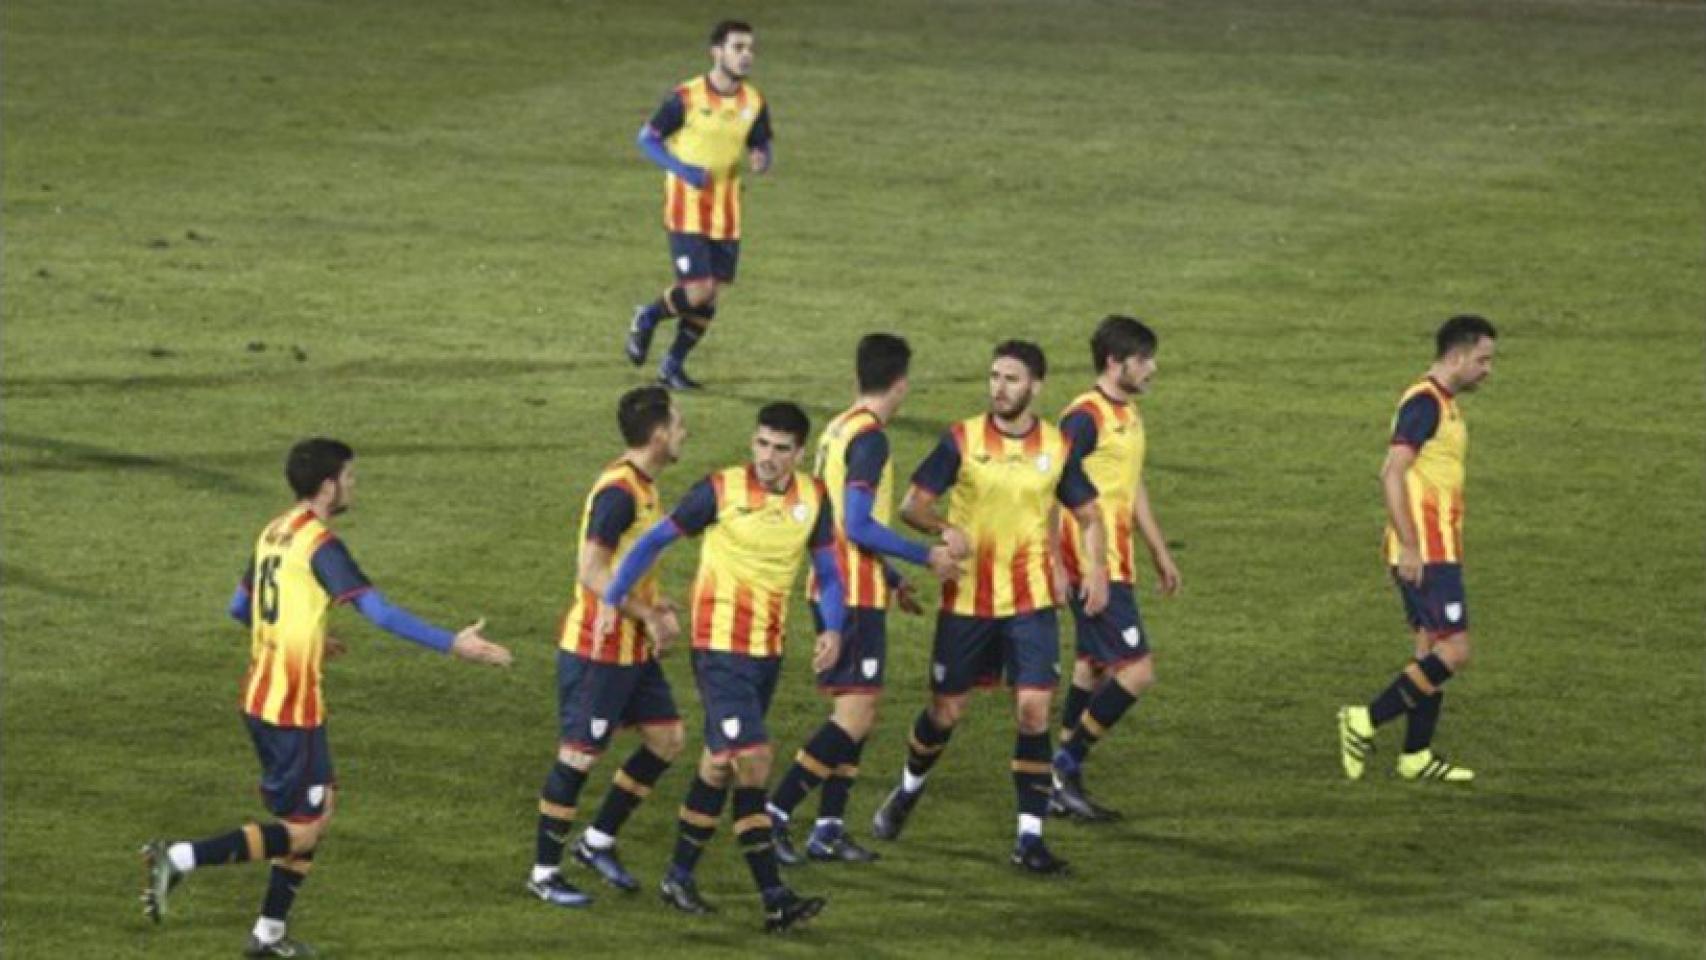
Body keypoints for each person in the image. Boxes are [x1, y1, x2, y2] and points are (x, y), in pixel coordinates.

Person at [141, 438, 511, 958]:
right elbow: (379, 614)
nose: (354, 486)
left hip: (260, 696)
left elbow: (238, 607)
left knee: (319, 810)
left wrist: (309, 636)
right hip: (292, 708)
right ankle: (178, 858)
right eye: (350, 478)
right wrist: (457, 645)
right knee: (302, 830)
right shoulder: (320, 544)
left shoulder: (274, 531)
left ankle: (268, 934)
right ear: (327, 485)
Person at [870, 340, 1109, 875]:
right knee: (945, 713)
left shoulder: (1056, 446)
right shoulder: (963, 438)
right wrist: (942, 528)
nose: (999, 387)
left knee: (1033, 711)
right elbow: (913, 505)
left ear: (1036, 387)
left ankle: (1030, 838)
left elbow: (1090, 515)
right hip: (968, 602)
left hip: (1031, 602)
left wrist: (1094, 567)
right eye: (995, 377)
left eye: (1011, 379)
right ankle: (909, 787)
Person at [600, 402, 839, 932]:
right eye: (761, 444)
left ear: (799, 453)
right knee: (752, 760)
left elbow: (828, 568)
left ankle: (678, 875)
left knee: (718, 762)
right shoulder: (721, 490)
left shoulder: (814, 498)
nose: (768, 458)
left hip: (767, 652)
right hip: (719, 649)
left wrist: (833, 626)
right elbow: (655, 539)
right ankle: (775, 896)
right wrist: (611, 597)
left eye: (780, 449)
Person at [766, 334, 963, 866]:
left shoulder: (837, 428)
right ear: (900, 385)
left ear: (858, 377)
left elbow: (835, 521)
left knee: (860, 713)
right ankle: (776, 813)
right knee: (853, 718)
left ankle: (828, 829)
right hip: (849, 595)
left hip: (845, 585)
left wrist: (893, 577)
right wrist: (926, 558)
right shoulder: (871, 439)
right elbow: (855, 524)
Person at [528, 387, 689, 908]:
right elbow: (591, 571)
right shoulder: (619, 492)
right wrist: (646, 614)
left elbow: (626, 567)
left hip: (631, 649)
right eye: (679, 423)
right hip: (598, 649)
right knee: (576, 757)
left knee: (667, 739)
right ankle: (544, 872)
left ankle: (596, 842)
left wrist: (657, 603)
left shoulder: (641, 484)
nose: (685, 432)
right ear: (659, 433)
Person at [1338, 315, 1498, 785]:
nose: (1488, 370)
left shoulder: (1444, 403)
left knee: (1429, 649)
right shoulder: (1424, 402)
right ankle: (1363, 720)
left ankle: (1416, 755)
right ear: (1456, 356)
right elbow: (1391, 471)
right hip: (1427, 550)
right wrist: (1409, 544)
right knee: (1455, 650)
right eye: (1483, 359)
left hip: (1435, 544)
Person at [1051, 316, 1180, 821]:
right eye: (1143, 359)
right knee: (1137, 671)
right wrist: (1062, 567)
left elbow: (1131, 484)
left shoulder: (1127, 413)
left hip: (1116, 558)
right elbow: (1049, 483)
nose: (1152, 367)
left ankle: (1063, 780)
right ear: (1114, 362)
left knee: (1094, 664)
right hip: (1088, 563)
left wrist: (1159, 550)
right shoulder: (1084, 417)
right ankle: (1063, 765)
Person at [625, 19, 774, 391]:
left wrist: (762, 158)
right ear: (717, 52)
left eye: (749, 49)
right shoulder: (687, 97)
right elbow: (647, 139)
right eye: (738, 48)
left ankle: (672, 367)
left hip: (728, 213)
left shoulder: (753, 102)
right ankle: (647, 316)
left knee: (711, 295)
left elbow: (761, 143)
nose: (746, 56)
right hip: (686, 209)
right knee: (698, 290)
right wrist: (681, 169)